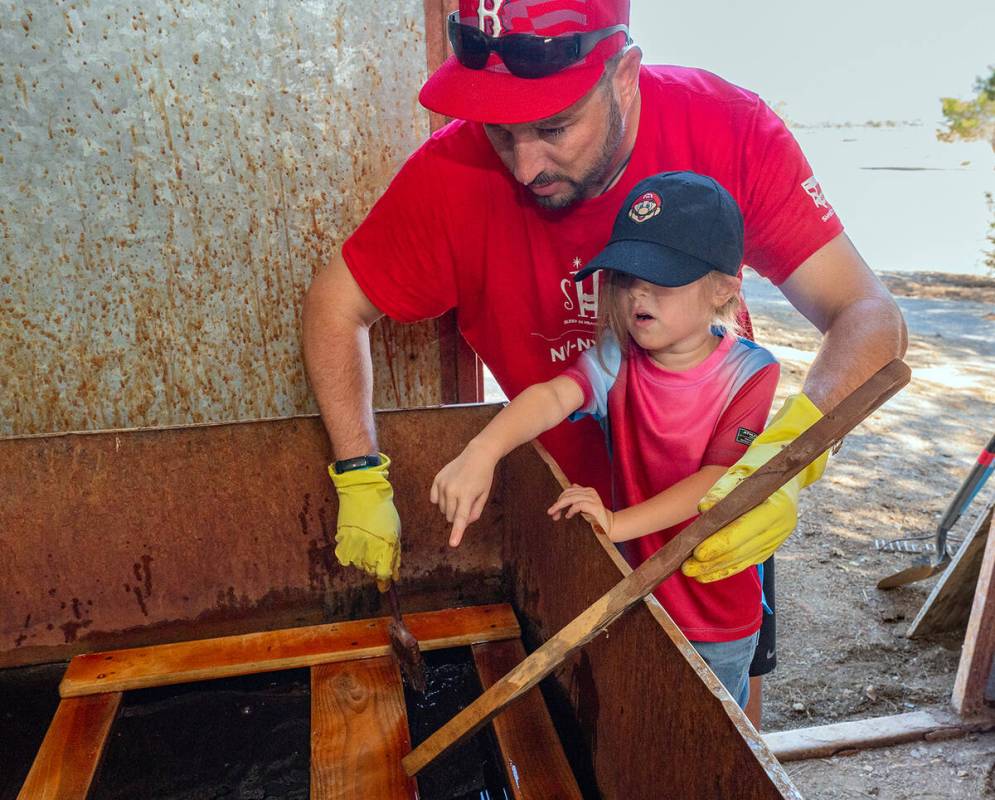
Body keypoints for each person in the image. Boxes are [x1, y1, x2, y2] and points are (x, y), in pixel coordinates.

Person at [301, 0, 907, 726]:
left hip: (713, 487)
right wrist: (360, 473)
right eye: (501, 130)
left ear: (623, 73)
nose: (525, 166)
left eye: (553, 127)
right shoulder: (449, 173)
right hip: (578, 514)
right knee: (600, 710)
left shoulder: (726, 128)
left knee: (722, 702)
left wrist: (784, 464)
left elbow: (869, 317)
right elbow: (335, 305)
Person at [430, 171, 797, 708]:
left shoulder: (750, 372)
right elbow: (555, 396)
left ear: (724, 287)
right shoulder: (616, 358)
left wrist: (616, 522)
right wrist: (482, 451)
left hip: (714, 607)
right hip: (636, 595)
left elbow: (715, 481)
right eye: (625, 278)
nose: (637, 294)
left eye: (662, 278)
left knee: (710, 739)